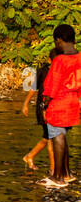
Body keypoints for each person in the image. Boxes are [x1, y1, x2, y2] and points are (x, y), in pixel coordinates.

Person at [41, 23, 81, 186]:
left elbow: (52, 86)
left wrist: (44, 105)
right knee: (62, 137)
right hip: (73, 102)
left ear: (59, 40)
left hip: (59, 103)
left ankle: (57, 178)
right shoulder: (79, 57)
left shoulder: (59, 60)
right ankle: (67, 173)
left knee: (57, 137)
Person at [22, 50, 58, 172]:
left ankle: (30, 156)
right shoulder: (43, 71)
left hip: (55, 108)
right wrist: (25, 104)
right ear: (49, 61)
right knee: (51, 138)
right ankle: (53, 170)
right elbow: (33, 88)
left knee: (48, 137)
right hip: (44, 108)